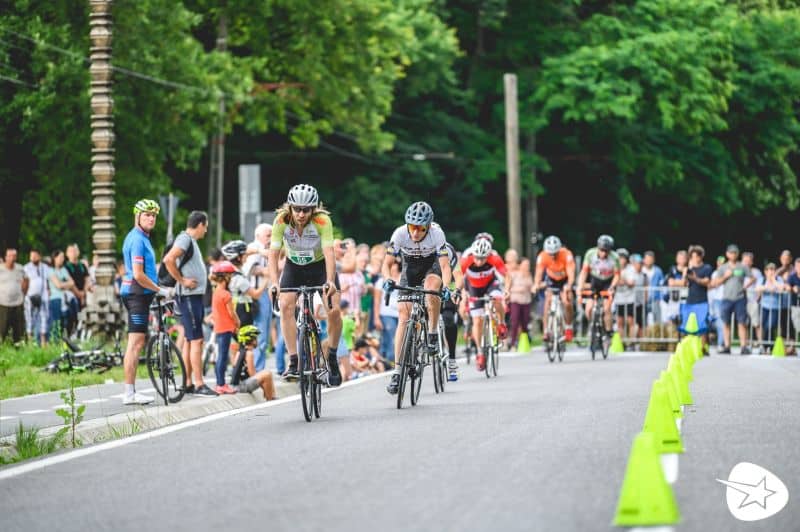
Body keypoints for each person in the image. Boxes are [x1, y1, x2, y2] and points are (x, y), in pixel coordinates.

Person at [268, 184, 343, 386]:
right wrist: (274, 283)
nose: (301, 214)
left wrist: (329, 281)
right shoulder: (281, 220)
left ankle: (333, 356)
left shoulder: (322, 220)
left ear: (313, 209)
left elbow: (329, 253)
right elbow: (273, 255)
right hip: (294, 267)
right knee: (285, 305)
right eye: (297, 209)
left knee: (334, 310)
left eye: (306, 210)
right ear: (290, 207)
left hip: (320, 267)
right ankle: (293, 361)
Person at [382, 201, 452, 393]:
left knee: (431, 289)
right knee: (403, 318)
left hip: (432, 265)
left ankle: (431, 333)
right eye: (412, 227)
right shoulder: (400, 233)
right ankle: (397, 372)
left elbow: (445, 266)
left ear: (428, 226)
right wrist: (388, 279)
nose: (415, 233)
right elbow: (386, 264)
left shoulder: (437, 234)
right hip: (410, 267)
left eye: (420, 229)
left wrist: (446, 287)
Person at [120, 199, 170, 405]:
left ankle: (131, 391)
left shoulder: (142, 237)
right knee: (135, 344)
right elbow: (139, 275)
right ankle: (129, 394)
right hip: (137, 293)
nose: (151, 218)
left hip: (140, 293)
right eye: (146, 214)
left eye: (153, 215)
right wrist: (160, 290)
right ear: (137, 217)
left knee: (138, 342)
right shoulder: (137, 240)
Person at [163, 210, 215, 396]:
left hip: (193, 296)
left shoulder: (189, 241)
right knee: (196, 340)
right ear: (200, 224)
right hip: (188, 295)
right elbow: (169, 259)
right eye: (205, 227)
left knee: (189, 339)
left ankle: (188, 382)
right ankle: (199, 383)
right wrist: (183, 280)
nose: (206, 231)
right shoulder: (185, 239)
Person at [458, 238, 508, 371]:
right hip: (473, 287)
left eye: (483, 258)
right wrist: (461, 294)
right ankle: (480, 352)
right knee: (477, 320)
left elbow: (507, 275)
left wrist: (507, 289)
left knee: (497, 299)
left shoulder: (495, 258)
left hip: (491, 284)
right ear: (473, 254)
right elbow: (457, 277)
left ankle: (502, 323)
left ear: (488, 255)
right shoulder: (466, 260)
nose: (479, 261)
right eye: (477, 258)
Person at [710, 244, 754, 355]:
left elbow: (753, 278)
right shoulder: (723, 267)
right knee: (726, 323)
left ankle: (743, 346)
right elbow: (715, 283)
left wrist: (746, 286)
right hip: (726, 298)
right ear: (727, 254)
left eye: (735, 253)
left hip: (740, 298)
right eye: (731, 253)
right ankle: (727, 346)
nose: (733, 255)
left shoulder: (742, 266)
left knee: (741, 323)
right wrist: (725, 276)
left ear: (737, 254)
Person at [533, 235, 576, 342]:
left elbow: (571, 274)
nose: (552, 256)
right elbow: (538, 273)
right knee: (547, 302)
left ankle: (568, 327)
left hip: (564, 278)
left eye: (555, 254)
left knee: (567, 301)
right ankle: (546, 330)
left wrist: (569, 285)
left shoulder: (566, 254)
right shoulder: (542, 256)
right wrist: (536, 284)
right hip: (551, 279)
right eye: (550, 254)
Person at [577, 235, 620, 337]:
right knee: (589, 308)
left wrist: (612, 287)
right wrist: (580, 286)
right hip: (595, 280)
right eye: (602, 250)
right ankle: (593, 325)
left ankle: (608, 331)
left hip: (608, 282)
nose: (604, 253)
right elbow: (584, 272)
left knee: (606, 308)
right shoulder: (590, 254)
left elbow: (617, 275)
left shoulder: (614, 257)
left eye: (606, 251)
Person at [243, 223, 273, 371]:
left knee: (264, 334)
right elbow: (249, 269)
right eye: (268, 235)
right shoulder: (254, 248)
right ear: (258, 236)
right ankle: (255, 369)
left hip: (264, 293)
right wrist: (266, 271)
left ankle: (257, 368)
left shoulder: (266, 250)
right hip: (256, 294)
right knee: (259, 333)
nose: (270, 238)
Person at [210, 260, 239, 394]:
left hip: (219, 327)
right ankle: (221, 384)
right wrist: (238, 322)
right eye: (230, 276)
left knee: (221, 356)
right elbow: (231, 313)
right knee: (222, 356)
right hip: (226, 328)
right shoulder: (226, 294)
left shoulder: (216, 292)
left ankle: (220, 383)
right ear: (225, 277)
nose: (231, 279)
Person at [682, 245, 713, 354]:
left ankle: (703, 347)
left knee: (702, 325)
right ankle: (688, 347)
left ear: (701, 256)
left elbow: (706, 282)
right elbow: (683, 284)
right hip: (690, 300)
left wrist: (695, 278)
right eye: (693, 256)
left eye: (697, 256)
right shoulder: (689, 269)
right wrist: (685, 273)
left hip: (702, 300)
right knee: (688, 325)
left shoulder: (706, 268)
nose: (695, 258)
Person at [230, 325, 276, 399]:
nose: (257, 341)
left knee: (265, 374)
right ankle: (270, 398)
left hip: (236, 385)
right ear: (249, 339)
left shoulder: (240, 352)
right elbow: (253, 375)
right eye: (255, 338)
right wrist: (264, 385)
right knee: (267, 374)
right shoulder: (249, 354)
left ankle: (271, 396)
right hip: (240, 386)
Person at [441, 242, 463, 380]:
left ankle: (452, 360)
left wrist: (457, 290)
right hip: (428, 286)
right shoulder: (419, 249)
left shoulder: (448, 250)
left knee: (448, 320)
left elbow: (459, 275)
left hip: (447, 289)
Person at [755, 263, 785, 353]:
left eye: (773, 270)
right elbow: (758, 288)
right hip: (764, 306)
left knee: (770, 325)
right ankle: (764, 346)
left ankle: (769, 345)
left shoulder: (779, 279)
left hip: (775, 307)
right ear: (765, 271)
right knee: (763, 326)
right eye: (769, 270)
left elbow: (781, 288)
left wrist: (773, 281)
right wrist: (767, 287)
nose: (771, 272)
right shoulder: (762, 279)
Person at [0, 248, 28, 343]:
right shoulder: (1, 269)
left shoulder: (20, 268)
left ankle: (19, 347)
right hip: (3, 303)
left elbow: (26, 280)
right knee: (2, 329)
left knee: (19, 330)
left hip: (18, 303)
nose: (12, 258)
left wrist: (24, 292)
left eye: (14, 256)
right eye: (10, 256)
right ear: (5, 257)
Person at [23, 249, 49, 345]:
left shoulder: (45, 267)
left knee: (43, 318)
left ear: (39, 256)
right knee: (30, 319)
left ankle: (43, 343)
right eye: (32, 256)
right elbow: (24, 283)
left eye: (35, 256)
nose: (33, 258)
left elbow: (47, 281)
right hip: (30, 297)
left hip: (43, 296)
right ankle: (30, 342)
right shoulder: (26, 268)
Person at [47, 250, 74, 341]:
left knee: (65, 322)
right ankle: (55, 341)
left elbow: (72, 283)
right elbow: (58, 285)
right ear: (55, 258)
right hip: (55, 299)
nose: (62, 259)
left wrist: (62, 285)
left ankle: (64, 341)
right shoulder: (50, 270)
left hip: (64, 299)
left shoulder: (64, 270)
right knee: (56, 322)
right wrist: (65, 284)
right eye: (61, 257)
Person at [509, 257, 534, 349]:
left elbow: (531, 287)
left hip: (526, 301)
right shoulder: (514, 275)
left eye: (528, 265)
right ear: (520, 265)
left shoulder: (528, 275)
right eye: (525, 265)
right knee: (515, 321)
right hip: (515, 300)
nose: (527, 267)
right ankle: (512, 343)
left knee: (525, 322)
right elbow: (508, 287)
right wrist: (519, 289)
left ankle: (525, 341)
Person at [64, 243, 90, 333]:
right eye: (71, 251)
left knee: (83, 316)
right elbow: (70, 282)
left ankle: (81, 333)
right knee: (72, 315)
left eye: (75, 251)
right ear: (67, 253)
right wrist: (78, 294)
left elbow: (87, 279)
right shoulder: (66, 267)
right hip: (72, 295)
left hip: (83, 294)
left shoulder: (82, 266)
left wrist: (84, 293)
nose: (73, 253)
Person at [613, 249, 636, 343]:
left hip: (629, 298)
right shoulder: (614, 267)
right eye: (619, 258)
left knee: (630, 321)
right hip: (619, 299)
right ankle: (621, 342)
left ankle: (631, 342)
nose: (621, 261)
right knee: (619, 322)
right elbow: (614, 282)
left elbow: (631, 283)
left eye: (623, 258)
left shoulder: (631, 268)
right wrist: (620, 281)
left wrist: (622, 280)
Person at [642, 251, 664, 325]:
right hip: (642, 299)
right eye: (647, 259)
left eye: (651, 259)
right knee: (642, 319)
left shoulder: (658, 271)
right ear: (644, 260)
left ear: (654, 260)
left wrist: (661, 298)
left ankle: (658, 335)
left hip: (655, 298)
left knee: (657, 320)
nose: (649, 261)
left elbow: (662, 285)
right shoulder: (640, 270)